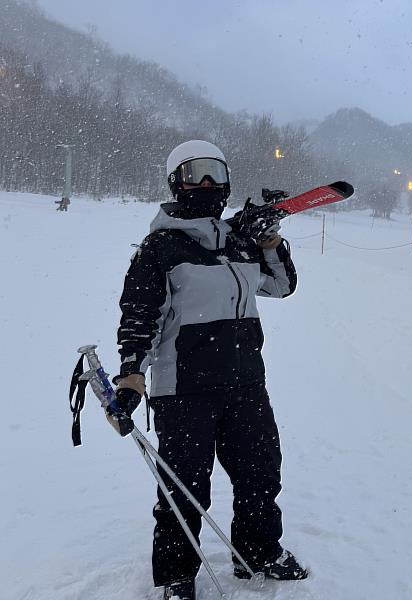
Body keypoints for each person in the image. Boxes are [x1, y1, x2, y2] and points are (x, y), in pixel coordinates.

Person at [111, 140, 307, 600]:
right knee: (184, 487)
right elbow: (139, 313)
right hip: (184, 388)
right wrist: (131, 371)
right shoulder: (160, 248)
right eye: (195, 173)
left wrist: (269, 241)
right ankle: (178, 575)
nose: (206, 183)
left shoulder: (240, 243)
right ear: (175, 182)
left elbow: (280, 285)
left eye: (215, 173)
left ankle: (257, 552)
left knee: (261, 472)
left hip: (245, 383)